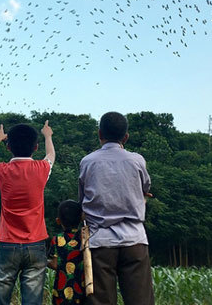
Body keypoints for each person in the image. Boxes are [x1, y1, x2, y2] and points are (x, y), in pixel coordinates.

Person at [78, 112, 155, 305]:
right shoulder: (137, 160)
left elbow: (82, 198)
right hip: (134, 239)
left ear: (99, 134)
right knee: (140, 301)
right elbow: (146, 188)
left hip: (100, 242)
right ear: (125, 137)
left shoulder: (87, 161)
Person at [0, 120, 55, 305]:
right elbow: (51, 155)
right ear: (35, 147)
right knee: (32, 300)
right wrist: (48, 135)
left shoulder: (3, 171)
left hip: (8, 244)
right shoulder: (41, 169)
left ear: (8, 147)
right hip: (36, 244)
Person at [48, 199, 86, 305]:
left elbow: (54, 264)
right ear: (80, 219)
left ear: (58, 221)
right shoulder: (84, 238)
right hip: (81, 290)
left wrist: (45, 261)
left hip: (61, 291)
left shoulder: (57, 239)